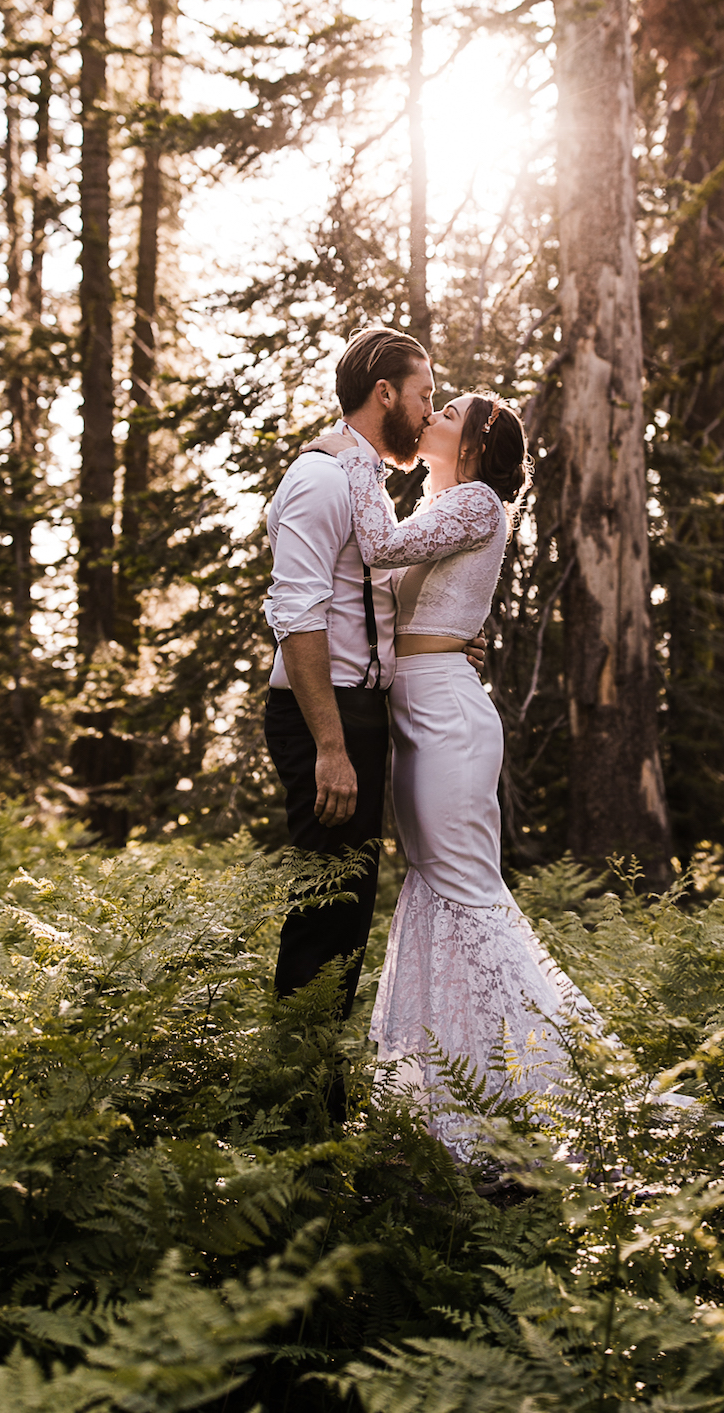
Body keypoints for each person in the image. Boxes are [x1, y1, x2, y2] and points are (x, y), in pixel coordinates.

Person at [316, 391, 607, 1153]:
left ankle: (538, 1099)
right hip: (424, 710)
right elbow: (401, 592)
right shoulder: (450, 506)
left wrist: (354, 456)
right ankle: (447, 1099)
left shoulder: (476, 501)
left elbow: (378, 546)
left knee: (465, 895)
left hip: (447, 719)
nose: (431, 418)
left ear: (475, 440)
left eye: (446, 413)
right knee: (434, 891)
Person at [260, 326, 432, 1122]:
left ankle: (320, 1099)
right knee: (325, 908)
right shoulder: (321, 480)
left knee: (350, 908)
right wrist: (330, 744)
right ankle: (290, 1113)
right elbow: (296, 617)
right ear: (385, 392)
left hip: (358, 714)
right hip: (319, 713)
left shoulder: (367, 482)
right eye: (423, 393)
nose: (429, 411)